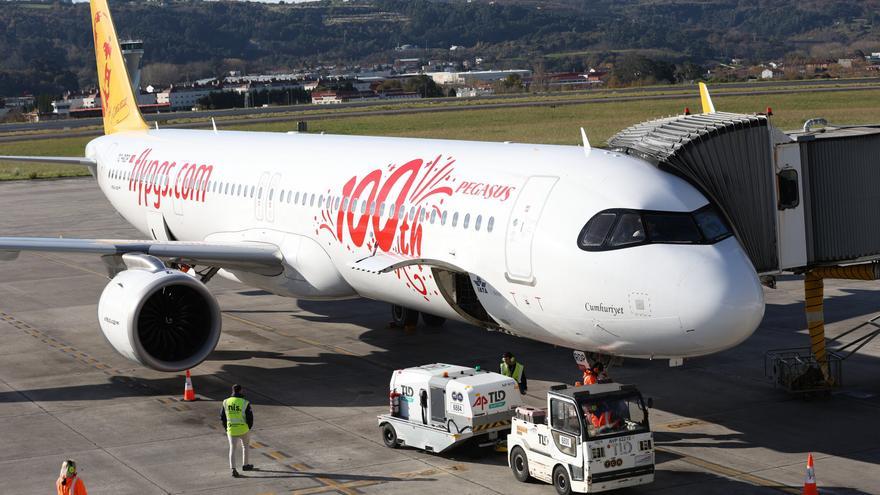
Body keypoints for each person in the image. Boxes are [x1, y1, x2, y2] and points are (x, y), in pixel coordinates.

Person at [221, 384, 254, 477]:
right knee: (245, 446)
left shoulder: (225, 402)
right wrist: (248, 427)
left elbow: (222, 417)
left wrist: (226, 428)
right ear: (241, 390)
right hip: (243, 429)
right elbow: (250, 417)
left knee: (232, 448)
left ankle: (233, 469)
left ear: (232, 390)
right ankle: (245, 465)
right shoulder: (245, 402)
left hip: (231, 429)